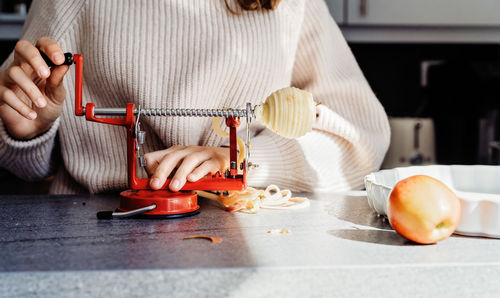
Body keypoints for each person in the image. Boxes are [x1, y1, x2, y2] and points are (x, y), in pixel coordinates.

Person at [0, 0, 390, 194]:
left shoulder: (291, 6)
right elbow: (28, 165)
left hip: (250, 236)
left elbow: (359, 140)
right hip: (93, 237)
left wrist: (240, 161)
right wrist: (29, 132)